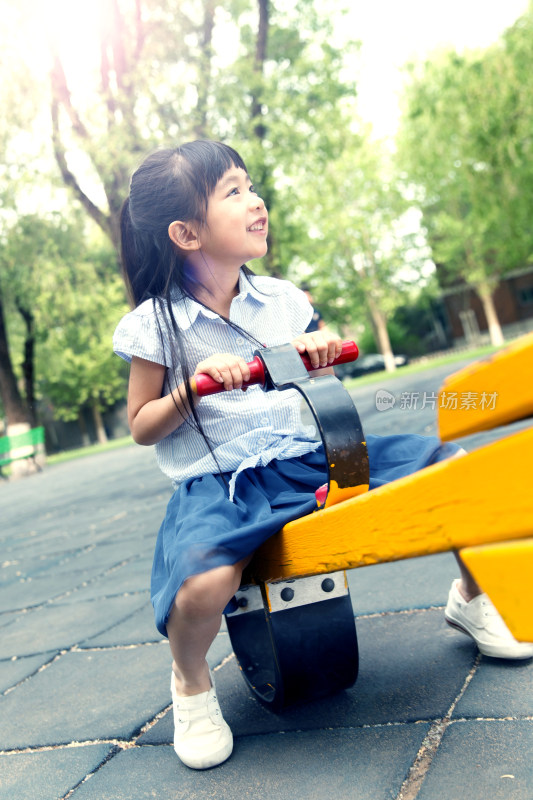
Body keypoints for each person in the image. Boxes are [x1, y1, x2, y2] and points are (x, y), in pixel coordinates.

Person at [113, 140, 532, 771]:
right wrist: (192, 387)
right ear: (186, 232)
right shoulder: (157, 325)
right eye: (233, 192)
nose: (256, 201)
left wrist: (323, 351)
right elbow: (143, 425)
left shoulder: (280, 299)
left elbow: (323, 356)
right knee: (202, 584)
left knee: (453, 471)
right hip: (227, 483)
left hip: (310, 454)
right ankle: (191, 681)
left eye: (251, 186)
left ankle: (470, 599)